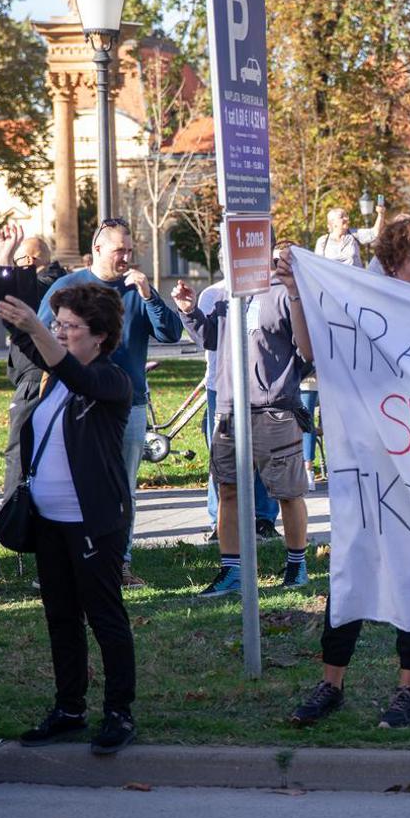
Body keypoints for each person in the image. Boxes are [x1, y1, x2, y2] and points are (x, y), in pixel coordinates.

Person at [287, 217, 410, 730]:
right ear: (390, 263)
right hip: (364, 464)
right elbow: (312, 350)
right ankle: (331, 683)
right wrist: (298, 291)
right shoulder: (355, 307)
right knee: (351, 569)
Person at [0, 284, 138, 754]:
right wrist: (9, 295)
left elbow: (79, 379)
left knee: (104, 617)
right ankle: (69, 708)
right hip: (50, 521)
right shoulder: (52, 376)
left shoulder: (111, 379)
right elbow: (28, 344)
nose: (58, 333)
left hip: (94, 522)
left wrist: (38, 328)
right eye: (56, 324)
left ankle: (119, 712)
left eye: (68, 327)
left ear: (98, 336)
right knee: (61, 617)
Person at [38, 218, 184, 588]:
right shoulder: (68, 287)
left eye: (130, 251)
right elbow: (39, 339)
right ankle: (67, 560)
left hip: (128, 405)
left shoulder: (137, 289)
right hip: (75, 403)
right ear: (98, 249)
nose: (126, 257)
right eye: (120, 250)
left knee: (122, 487)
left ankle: (118, 562)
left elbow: (170, 333)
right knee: (71, 481)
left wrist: (150, 295)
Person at [173, 245, 312, 596]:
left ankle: (297, 565)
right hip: (229, 409)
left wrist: (283, 382)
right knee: (229, 492)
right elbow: (210, 339)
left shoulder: (285, 293)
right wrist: (189, 312)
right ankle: (231, 571)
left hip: (275, 410)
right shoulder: (225, 295)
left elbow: (308, 352)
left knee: (288, 493)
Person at [186, 262, 281, 542]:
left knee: (266, 456)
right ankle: (220, 522)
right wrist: (188, 311)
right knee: (223, 460)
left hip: (264, 389)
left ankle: (264, 519)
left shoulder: (274, 292)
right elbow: (206, 339)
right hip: (223, 388)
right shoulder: (213, 294)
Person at [314, 205, 383, 268]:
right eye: (342, 217)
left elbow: (374, 233)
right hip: (332, 280)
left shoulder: (354, 234)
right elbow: (318, 265)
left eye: (346, 216)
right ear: (333, 223)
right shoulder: (322, 241)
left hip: (354, 280)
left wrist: (380, 214)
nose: (347, 218)